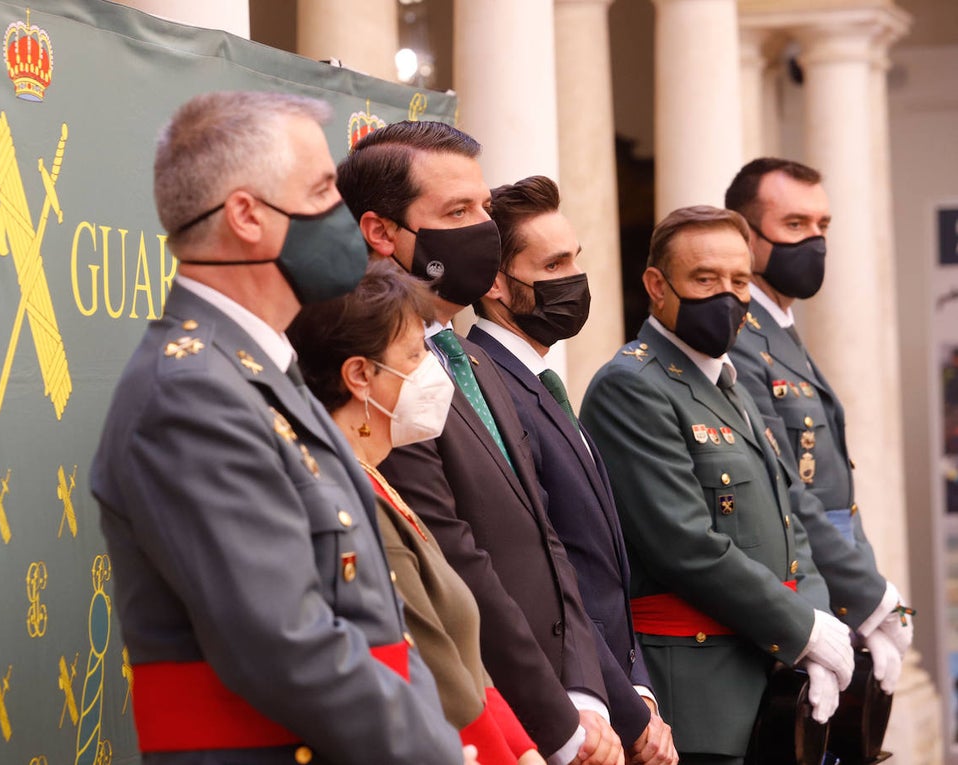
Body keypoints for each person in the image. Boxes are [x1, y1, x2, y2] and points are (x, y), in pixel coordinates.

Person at [89, 91, 466, 765]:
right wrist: (432, 753)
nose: (343, 218)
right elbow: (287, 644)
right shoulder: (193, 393)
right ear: (246, 216)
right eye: (321, 192)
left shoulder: (260, 369)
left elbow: (375, 620)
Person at [337, 120, 623, 765]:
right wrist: (558, 724)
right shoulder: (377, 370)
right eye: (457, 212)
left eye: (484, 208)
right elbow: (456, 557)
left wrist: (590, 694)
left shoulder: (470, 358)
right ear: (381, 232)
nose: (484, 230)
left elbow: (546, 541)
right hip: (480, 716)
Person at [579, 205, 854, 765]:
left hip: (770, 680)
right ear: (657, 286)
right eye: (705, 279)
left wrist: (817, 623)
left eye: (739, 280)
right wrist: (803, 629)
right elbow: (685, 545)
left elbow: (789, 520)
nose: (727, 297)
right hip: (699, 697)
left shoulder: (727, 381)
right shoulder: (632, 387)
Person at [289, 259, 546, 765]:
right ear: (359, 375)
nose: (432, 370)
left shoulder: (376, 480)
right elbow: (433, 665)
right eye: (413, 354)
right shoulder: (349, 496)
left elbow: (469, 670)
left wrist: (524, 751)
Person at [469, 175, 677, 765]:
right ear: (495, 284)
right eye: (554, 265)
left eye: (575, 260)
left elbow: (603, 568)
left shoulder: (538, 383)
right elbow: (548, 568)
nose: (576, 280)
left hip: (615, 702)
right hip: (575, 714)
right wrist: (628, 712)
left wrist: (639, 693)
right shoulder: (490, 388)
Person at [724, 158, 914, 694]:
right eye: (794, 224)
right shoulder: (740, 337)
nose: (814, 240)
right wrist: (871, 596)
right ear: (746, 235)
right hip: (798, 599)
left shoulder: (780, 329)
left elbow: (837, 493)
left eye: (821, 225)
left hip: (833, 592)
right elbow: (786, 488)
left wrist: (870, 591)